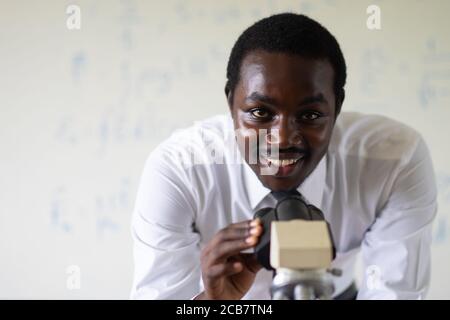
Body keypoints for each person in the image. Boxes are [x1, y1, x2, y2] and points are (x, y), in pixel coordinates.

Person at [130, 13, 437, 300]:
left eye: (311, 114)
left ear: (337, 106)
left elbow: (395, 293)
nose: (284, 139)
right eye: (260, 113)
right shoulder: (181, 170)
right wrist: (213, 302)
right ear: (230, 103)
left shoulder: (394, 161)